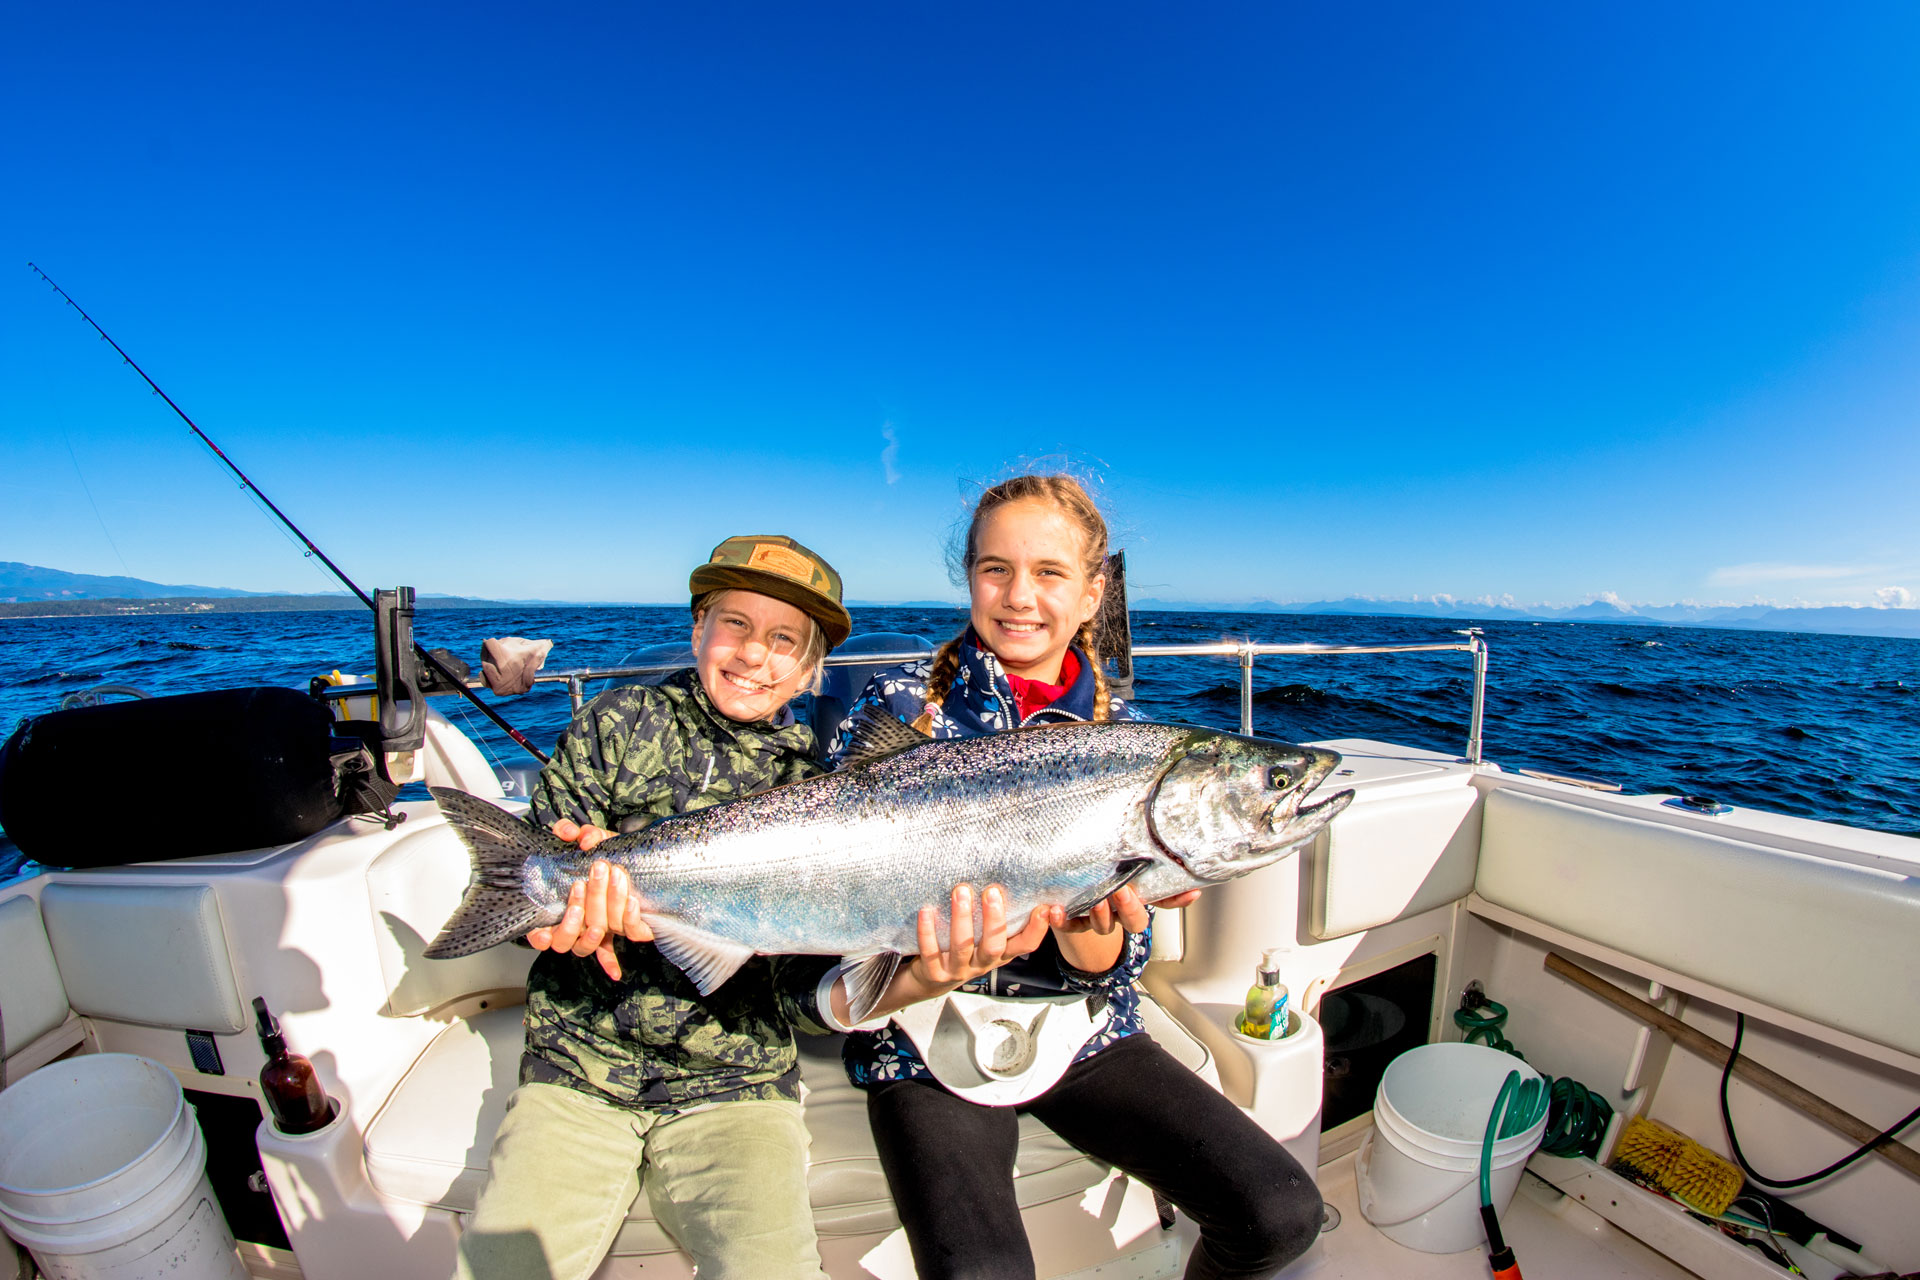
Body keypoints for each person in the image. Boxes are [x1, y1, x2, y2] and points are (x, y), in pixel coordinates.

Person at [828, 474, 1325, 1280]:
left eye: (1050, 573)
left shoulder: (1132, 738)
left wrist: (1095, 939)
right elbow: (834, 874)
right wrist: (923, 967)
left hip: (1086, 1030)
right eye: (995, 569)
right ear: (969, 576)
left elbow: (1121, 965)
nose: (1019, 596)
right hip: (921, 1035)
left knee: (1280, 1214)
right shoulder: (900, 705)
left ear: (1096, 593)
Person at [453, 533, 854, 1280]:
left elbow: (802, 984)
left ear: (807, 671)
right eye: (735, 623)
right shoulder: (617, 721)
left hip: (740, 1082)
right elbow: (527, 903)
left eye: (783, 640)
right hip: (578, 1066)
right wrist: (557, 918)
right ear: (700, 626)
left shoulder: (818, 790)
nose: (753, 654)